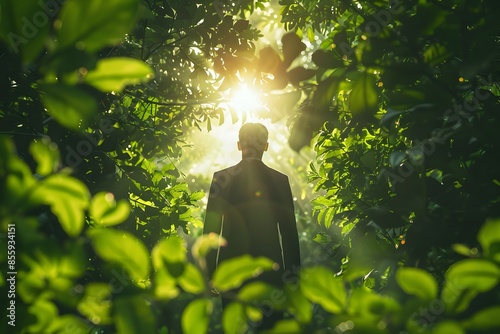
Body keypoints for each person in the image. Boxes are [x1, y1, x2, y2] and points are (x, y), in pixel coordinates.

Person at [203, 123, 301, 331]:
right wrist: (293, 274)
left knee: (234, 327)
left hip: (231, 270)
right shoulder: (280, 180)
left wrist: (210, 273)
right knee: (271, 326)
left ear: (239, 145)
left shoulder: (221, 179)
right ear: (266, 146)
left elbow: (211, 230)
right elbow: (289, 233)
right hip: (271, 268)